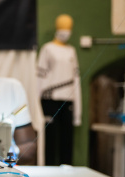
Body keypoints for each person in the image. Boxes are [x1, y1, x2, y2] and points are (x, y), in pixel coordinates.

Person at [37, 14, 81, 166]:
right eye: (63, 26)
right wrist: (37, 102)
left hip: (68, 99)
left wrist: (78, 113)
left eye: (68, 27)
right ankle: (48, 168)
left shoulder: (71, 51)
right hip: (49, 99)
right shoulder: (47, 49)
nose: (66, 31)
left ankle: (67, 168)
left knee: (67, 138)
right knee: (50, 138)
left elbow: (76, 80)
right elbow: (40, 76)